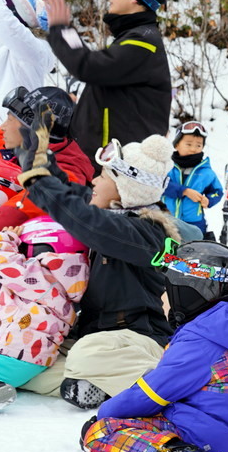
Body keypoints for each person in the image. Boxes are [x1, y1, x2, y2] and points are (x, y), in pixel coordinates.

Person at [14, 118, 182, 408]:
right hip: (97, 336)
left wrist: (38, 180)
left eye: (103, 176)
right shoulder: (115, 217)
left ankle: (165, 383)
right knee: (30, 360)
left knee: (86, 355)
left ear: (125, 188)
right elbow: (74, 200)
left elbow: (86, 222)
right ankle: (99, 386)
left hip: (138, 341)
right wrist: (44, 163)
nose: (93, 181)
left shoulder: (147, 234)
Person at [79, 240, 228, 452]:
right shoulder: (226, 327)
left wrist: (107, 412)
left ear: (188, 291)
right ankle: (184, 451)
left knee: (99, 433)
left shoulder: (200, 341)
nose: (161, 296)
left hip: (209, 440)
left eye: (167, 289)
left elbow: (151, 393)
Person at [42, 0, 171, 168]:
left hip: (115, 167)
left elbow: (90, 67)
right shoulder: (136, 37)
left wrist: (62, 31)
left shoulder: (142, 42)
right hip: (106, 161)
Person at [0, 218, 90, 416]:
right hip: (32, 361)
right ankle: (74, 386)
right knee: (34, 379)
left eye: (21, 249)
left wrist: (5, 237)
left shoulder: (37, 277)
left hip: (6, 352)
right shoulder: (70, 281)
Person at [0, 86, 94, 264]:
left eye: (9, 120)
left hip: (32, 268)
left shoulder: (64, 175)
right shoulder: (22, 146)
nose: (2, 126)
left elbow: (15, 214)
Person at [162, 120, 225, 240]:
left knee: (191, 254)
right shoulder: (166, 166)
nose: (193, 149)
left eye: (198, 145)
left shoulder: (206, 172)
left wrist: (209, 200)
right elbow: (159, 184)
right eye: (188, 144)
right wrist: (184, 191)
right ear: (176, 145)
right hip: (165, 219)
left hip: (194, 223)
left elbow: (217, 191)